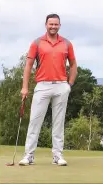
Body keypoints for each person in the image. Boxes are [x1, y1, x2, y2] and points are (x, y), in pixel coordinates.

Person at [19, 13, 77, 166]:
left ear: (59, 25)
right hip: (42, 85)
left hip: (61, 85)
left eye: (56, 24)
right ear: (46, 25)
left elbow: (72, 64)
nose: (53, 26)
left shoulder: (66, 43)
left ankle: (58, 156)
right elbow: (28, 66)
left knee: (58, 123)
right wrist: (25, 87)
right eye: (51, 24)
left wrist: (69, 84)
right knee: (34, 121)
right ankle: (28, 156)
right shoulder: (37, 43)